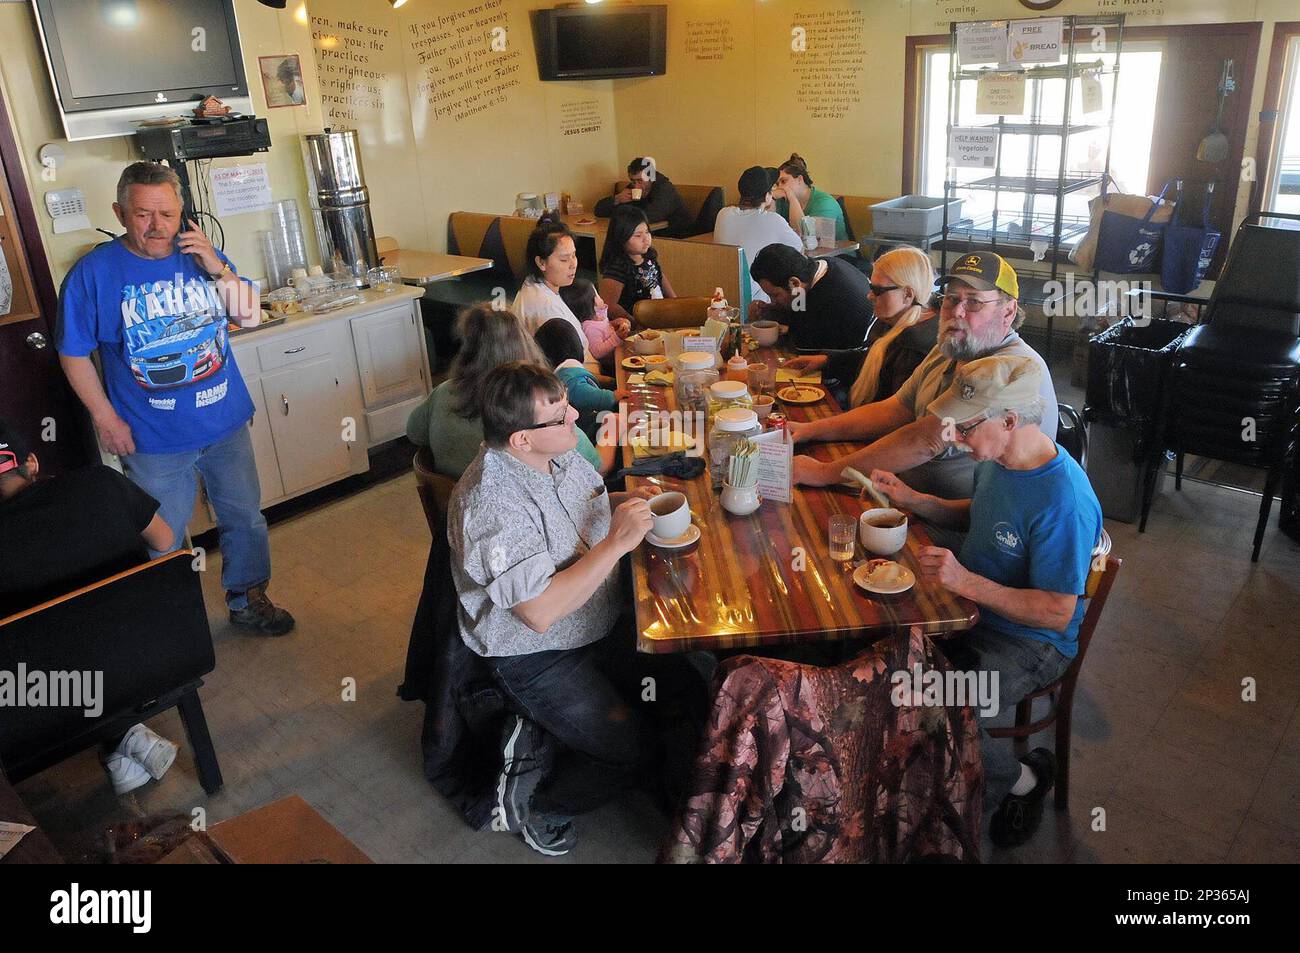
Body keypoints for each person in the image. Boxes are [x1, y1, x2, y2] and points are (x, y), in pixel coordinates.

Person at [447, 361, 701, 855]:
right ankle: (536, 803)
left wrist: (636, 502)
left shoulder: (558, 455)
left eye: (567, 406)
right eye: (559, 417)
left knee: (686, 689)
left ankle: (670, 791)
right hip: (536, 653)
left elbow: (593, 506)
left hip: (595, 622)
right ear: (520, 440)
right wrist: (616, 545)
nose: (574, 421)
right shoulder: (491, 503)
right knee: (631, 750)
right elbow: (538, 613)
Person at [868, 355, 1102, 847]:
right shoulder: (999, 460)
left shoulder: (1063, 500)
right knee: (880, 659)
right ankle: (912, 775)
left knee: (939, 700)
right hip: (971, 611)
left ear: (1011, 421)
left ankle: (1023, 781)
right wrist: (914, 499)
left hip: (1033, 643)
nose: (953, 438)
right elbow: (980, 514)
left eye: (965, 428)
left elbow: (1058, 611)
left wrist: (966, 581)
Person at [54, 161, 293, 635]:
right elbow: (73, 352)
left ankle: (248, 599)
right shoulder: (94, 273)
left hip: (225, 423)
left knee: (244, 519)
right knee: (162, 539)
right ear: (121, 213)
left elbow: (248, 318)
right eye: (143, 214)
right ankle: (172, 626)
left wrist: (216, 265)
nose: (157, 226)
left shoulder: (201, 255)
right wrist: (106, 419)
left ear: (182, 211)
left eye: (166, 213)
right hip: (153, 436)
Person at [0, 419, 182, 796]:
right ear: (30, 463)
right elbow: (164, 539)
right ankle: (123, 738)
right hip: (155, 655)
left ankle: (121, 737)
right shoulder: (100, 482)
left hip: (47, 698)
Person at [787, 252, 1058, 501]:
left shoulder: (1009, 367)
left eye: (974, 302)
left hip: (963, 521)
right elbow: (895, 409)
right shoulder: (952, 346)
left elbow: (925, 440)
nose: (957, 312)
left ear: (1008, 311)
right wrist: (810, 430)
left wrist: (822, 473)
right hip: (908, 495)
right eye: (951, 299)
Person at [405, 305, 615, 477]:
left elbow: (414, 433)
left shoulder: (442, 392)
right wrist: (613, 428)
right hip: (526, 513)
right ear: (525, 347)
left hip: (454, 509)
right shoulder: (534, 408)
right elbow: (597, 467)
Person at [783, 246, 939, 407]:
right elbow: (872, 359)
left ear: (907, 294)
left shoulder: (914, 350)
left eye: (878, 291)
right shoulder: (891, 319)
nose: (869, 295)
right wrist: (827, 360)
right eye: (871, 287)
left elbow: (893, 415)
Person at [747, 243, 872, 352]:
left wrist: (772, 323)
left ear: (794, 283)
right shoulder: (817, 268)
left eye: (775, 295)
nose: (773, 301)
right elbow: (798, 311)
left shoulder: (828, 298)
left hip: (851, 368)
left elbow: (802, 348)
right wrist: (770, 312)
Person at [713, 166, 803, 305]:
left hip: (721, 297)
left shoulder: (723, 214)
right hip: (755, 301)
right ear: (768, 195)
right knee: (795, 283)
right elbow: (799, 248)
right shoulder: (773, 220)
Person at [534, 317, 626, 442]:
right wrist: (614, 396)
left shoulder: (567, 370)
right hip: (593, 431)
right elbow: (591, 396)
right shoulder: (570, 380)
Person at [511, 217, 591, 359]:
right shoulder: (546, 307)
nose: (573, 264)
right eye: (564, 259)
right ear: (541, 262)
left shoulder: (533, 283)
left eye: (574, 255)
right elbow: (567, 367)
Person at [599, 205, 676, 324]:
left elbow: (660, 279)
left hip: (658, 318)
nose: (646, 239)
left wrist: (676, 304)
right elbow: (609, 305)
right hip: (635, 326)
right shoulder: (618, 267)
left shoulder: (648, 256)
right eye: (638, 235)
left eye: (647, 232)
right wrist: (635, 323)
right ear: (621, 237)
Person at [594, 157, 693, 238]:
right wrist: (617, 199)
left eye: (640, 181)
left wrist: (624, 216)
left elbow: (651, 216)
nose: (636, 186)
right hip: (649, 235)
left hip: (677, 237)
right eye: (633, 181)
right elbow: (598, 211)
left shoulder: (664, 189)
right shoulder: (633, 188)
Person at [772, 153, 848, 241]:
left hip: (837, 253)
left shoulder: (825, 202)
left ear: (800, 179)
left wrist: (792, 198)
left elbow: (806, 235)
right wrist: (771, 198)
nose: (780, 187)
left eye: (783, 181)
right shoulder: (783, 201)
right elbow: (769, 227)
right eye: (777, 184)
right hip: (801, 253)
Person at [560, 279, 629, 373]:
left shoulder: (598, 316)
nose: (601, 297)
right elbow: (597, 352)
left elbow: (604, 327)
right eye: (597, 295)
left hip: (618, 353)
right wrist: (617, 337)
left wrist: (614, 323)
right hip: (611, 365)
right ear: (594, 302)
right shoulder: (590, 327)